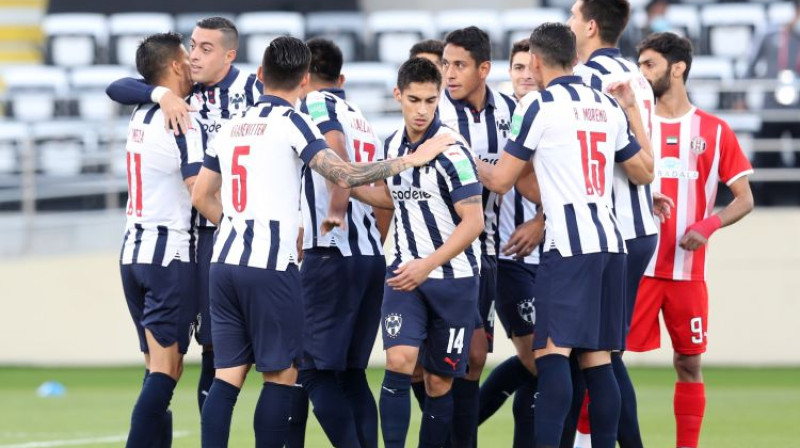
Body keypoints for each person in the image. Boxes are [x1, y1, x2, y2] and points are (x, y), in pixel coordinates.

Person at [191, 36, 454, 448]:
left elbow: (202, 195)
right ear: (303, 81)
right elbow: (343, 175)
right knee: (284, 375)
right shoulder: (296, 120)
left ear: (260, 76)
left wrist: (236, 225)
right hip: (273, 266)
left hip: (224, 263)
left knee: (227, 376)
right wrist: (411, 160)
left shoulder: (229, 125)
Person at [477, 22, 655, 448]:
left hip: (569, 246)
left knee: (552, 355)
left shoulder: (537, 105)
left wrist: (457, 153)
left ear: (535, 62)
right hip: (612, 243)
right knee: (598, 359)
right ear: (575, 58)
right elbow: (645, 171)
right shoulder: (606, 104)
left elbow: (501, 180)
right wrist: (631, 109)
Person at [105, 16, 262, 413]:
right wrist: (163, 95)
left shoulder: (252, 91)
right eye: (192, 46)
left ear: (229, 55)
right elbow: (116, 87)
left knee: (214, 345)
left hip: (225, 229)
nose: (194, 56)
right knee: (172, 357)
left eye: (205, 49)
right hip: (193, 233)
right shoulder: (179, 96)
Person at [348, 56, 485, 448]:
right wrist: (346, 184)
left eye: (430, 100)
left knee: (440, 380)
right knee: (400, 362)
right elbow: (390, 197)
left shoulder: (453, 152)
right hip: (405, 276)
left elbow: (473, 222)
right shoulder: (392, 145)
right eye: (414, 100)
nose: (422, 109)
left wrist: (428, 265)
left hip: (452, 280)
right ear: (398, 96)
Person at [630, 32, 755, 448]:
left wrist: (708, 225)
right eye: (640, 65)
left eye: (649, 65)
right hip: (637, 268)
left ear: (677, 67)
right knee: (600, 360)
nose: (642, 73)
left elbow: (744, 199)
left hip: (687, 274)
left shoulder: (714, 131)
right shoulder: (633, 122)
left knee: (688, 362)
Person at [568, 1, 666, 446]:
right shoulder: (639, 78)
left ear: (590, 25)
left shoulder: (588, 79)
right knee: (600, 352)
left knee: (594, 355)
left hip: (609, 230)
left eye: (573, 17)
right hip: (640, 223)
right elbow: (648, 154)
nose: (568, 24)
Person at [288, 37, 389, 448]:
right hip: (368, 255)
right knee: (350, 375)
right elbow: (385, 196)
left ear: (305, 75)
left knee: (311, 372)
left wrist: (336, 208)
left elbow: (336, 151)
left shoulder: (316, 103)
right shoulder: (362, 117)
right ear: (341, 76)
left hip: (330, 253)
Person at [118, 31, 205, 447]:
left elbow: (119, 86)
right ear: (175, 65)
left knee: (159, 366)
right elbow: (197, 189)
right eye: (189, 56)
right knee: (165, 372)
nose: (193, 63)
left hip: (132, 253)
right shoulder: (182, 118)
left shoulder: (140, 109)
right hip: (169, 254)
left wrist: (158, 94)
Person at [437, 26, 517, 446]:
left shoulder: (509, 110)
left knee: (473, 358)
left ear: (483, 68)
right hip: (439, 253)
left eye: (459, 65)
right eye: (446, 64)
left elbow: (526, 172)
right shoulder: (437, 114)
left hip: (484, 252)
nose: (449, 74)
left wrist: (540, 218)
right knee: (433, 361)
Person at [476, 38, 543, 448]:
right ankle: (457, 433)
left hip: (556, 255)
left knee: (550, 365)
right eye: (518, 68)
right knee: (538, 359)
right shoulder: (497, 116)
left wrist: (542, 220)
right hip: (506, 256)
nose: (525, 75)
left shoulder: (555, 115)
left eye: (531, 67)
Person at [743, 0, 800, 204]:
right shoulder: (769, 34)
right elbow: (751, 65)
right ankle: (761, 201)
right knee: (766, 156)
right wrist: (741, 95)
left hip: (798, 109)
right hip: (771, 106)